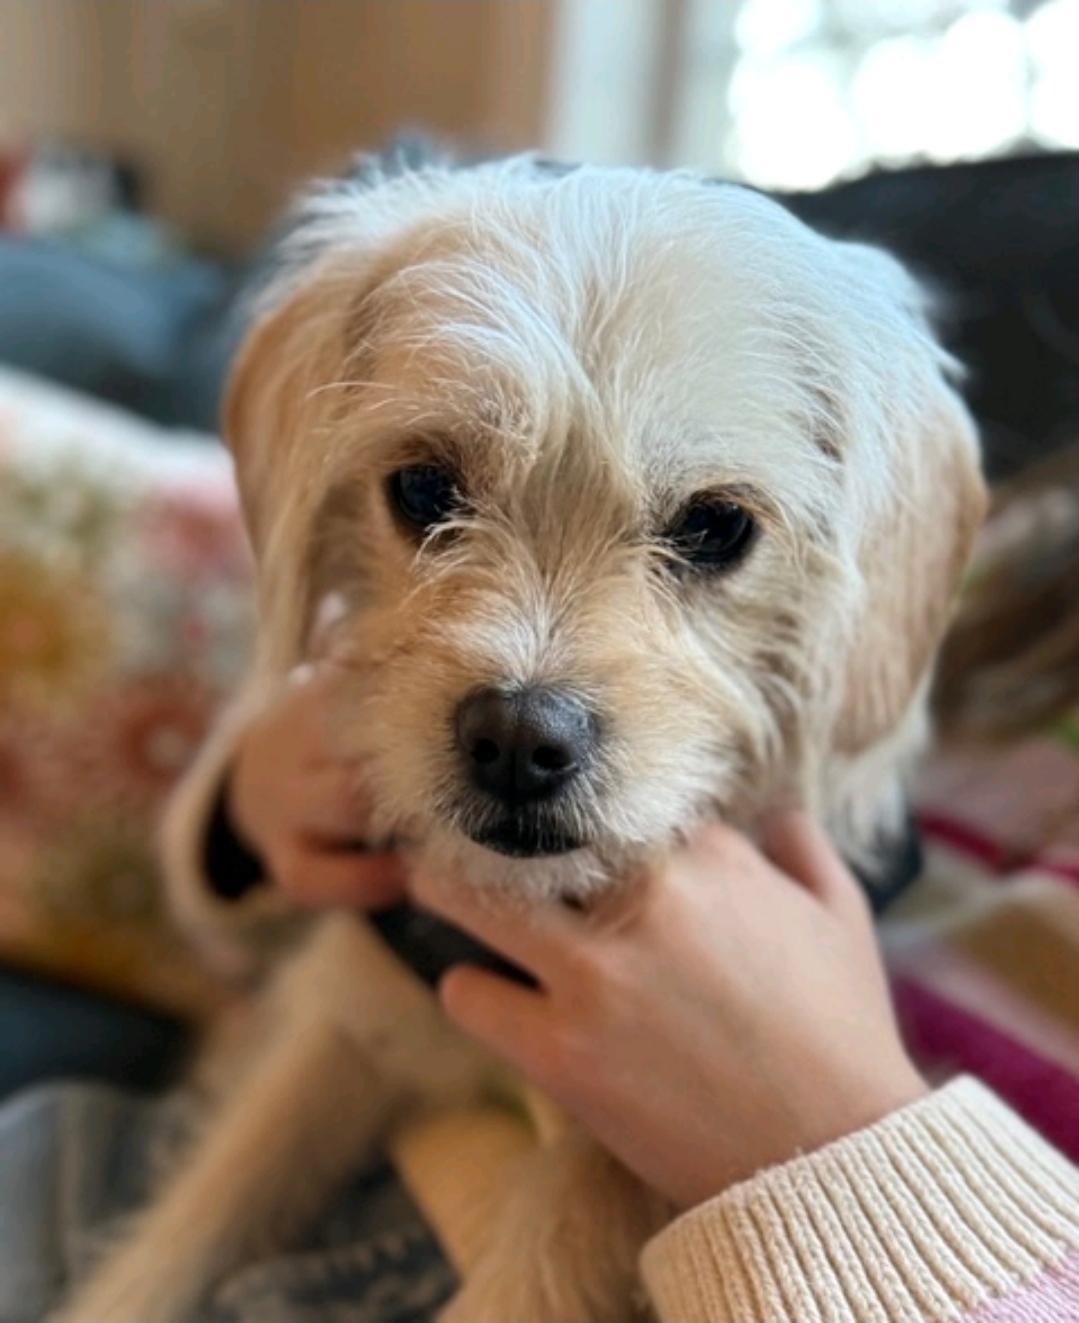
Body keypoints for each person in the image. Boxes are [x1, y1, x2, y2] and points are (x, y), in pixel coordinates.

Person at [214, 662, 1079, 1323]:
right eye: (433, 495)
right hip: (323, 1133)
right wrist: (243, 810)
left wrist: (843, 1149)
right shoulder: (1023, 563)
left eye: (708, 533)